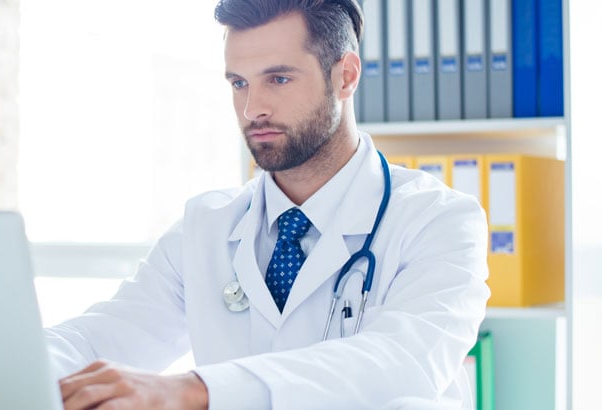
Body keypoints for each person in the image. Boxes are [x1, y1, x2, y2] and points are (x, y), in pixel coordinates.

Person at [48, 0, 490, 408]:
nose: (251, 108)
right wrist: (14, 365)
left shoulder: (440, 221)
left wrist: (197, 389)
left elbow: (403, 365)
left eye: (278, 78)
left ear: (346, 76)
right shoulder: (205, 226)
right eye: (239, 83)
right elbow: (95, 342)